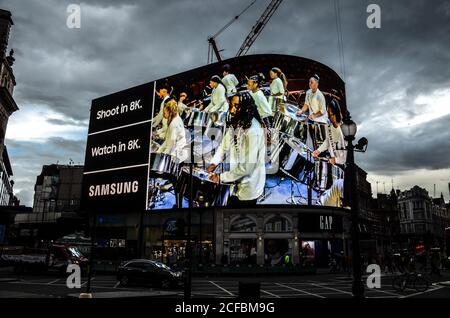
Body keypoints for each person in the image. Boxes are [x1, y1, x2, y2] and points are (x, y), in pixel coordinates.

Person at [207, 92, 266, 207]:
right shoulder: (238, 122)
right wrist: (214, 162)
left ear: (246, 108)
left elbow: (247, 168)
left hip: (250, 185)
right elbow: (224, 145)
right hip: (237, 180)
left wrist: (220, 177)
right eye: (231, 106)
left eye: (237, 106)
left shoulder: (253, 131)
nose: (232, 110)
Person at [312, 99, 346, 166]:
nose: (329, 117)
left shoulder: (344, 131)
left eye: (331, 114)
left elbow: (346, 156)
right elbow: (328, 141)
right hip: (332, 160)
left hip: (340, 164)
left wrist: (336, 160)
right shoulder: (329, 126)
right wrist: (318, 150)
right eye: (328, 114)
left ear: (337, 113)